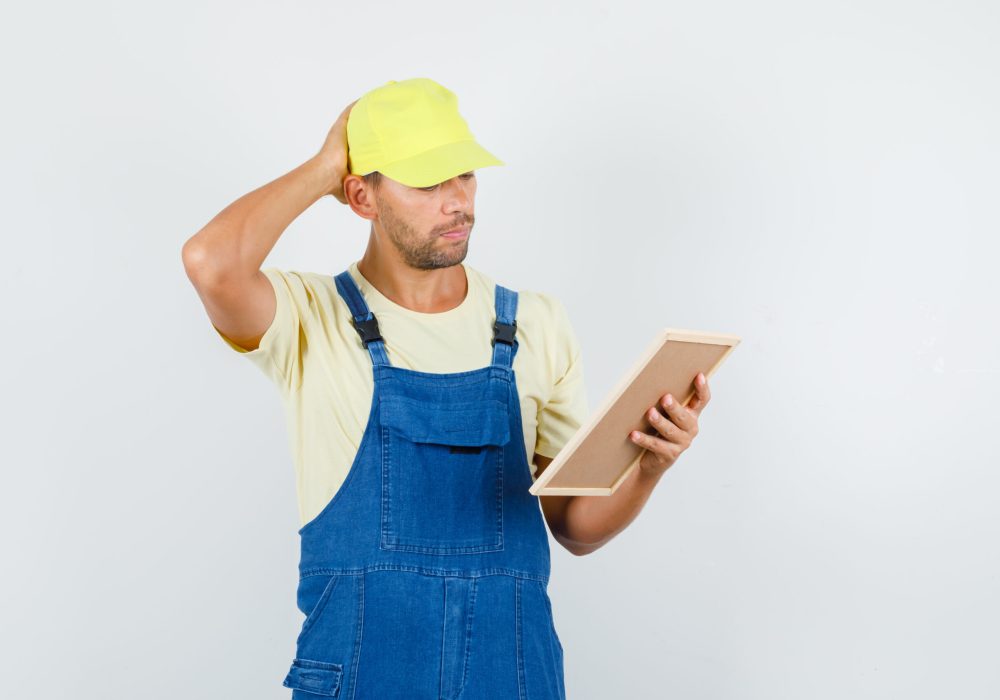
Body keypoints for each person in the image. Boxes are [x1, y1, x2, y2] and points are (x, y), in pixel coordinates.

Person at [181, 77, 711, 700]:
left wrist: (647, 467)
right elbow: (210, 263)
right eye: (428, 183)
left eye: (464, 175)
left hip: (509, 676)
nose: (457, 201)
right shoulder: (308, 317)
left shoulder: (535, 324)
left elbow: (574, 525)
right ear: (362, 196)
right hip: (360, 679)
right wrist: (329, 163)